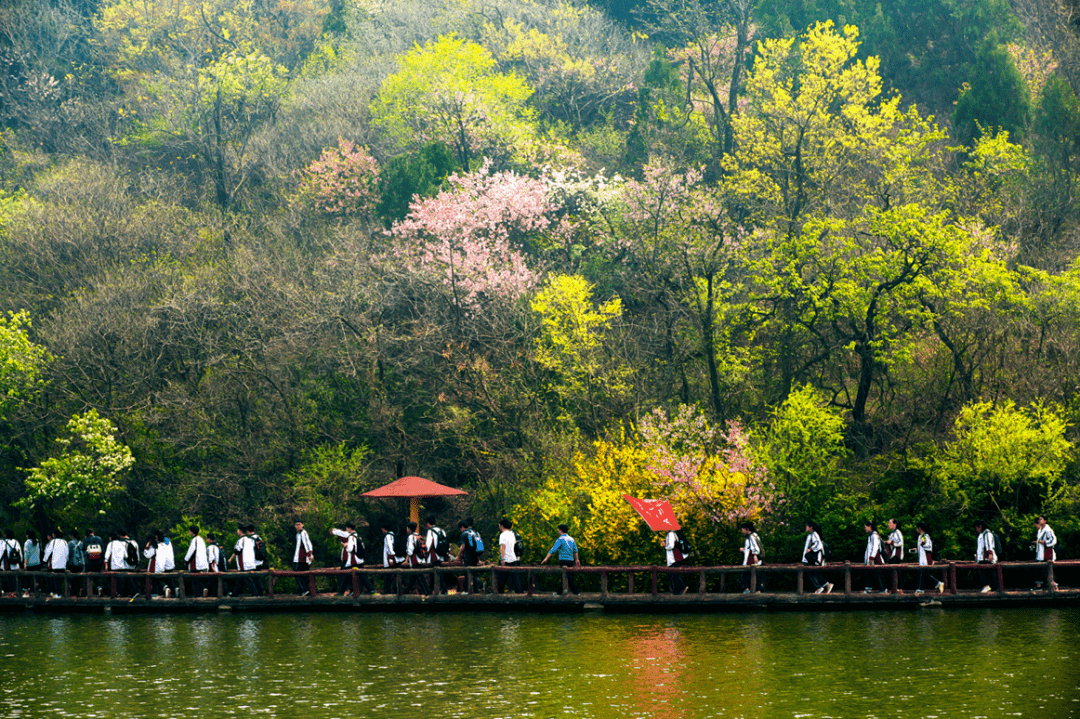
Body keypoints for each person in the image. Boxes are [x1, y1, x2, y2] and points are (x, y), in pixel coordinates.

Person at [331, 521, 373, 596]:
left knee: (345, 574)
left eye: (347, 528)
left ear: (349, 528)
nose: (346, 529)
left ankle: (342, 592)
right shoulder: (357, 536)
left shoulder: (351, 537)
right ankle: (370, 590)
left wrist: (345, 546)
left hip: (353, 560)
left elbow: (350, 549)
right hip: (359, 559)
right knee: (361, 575)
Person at [540, 524, 580, 595]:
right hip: (570, 560)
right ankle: (561, 592)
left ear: (561, 530)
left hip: (563, 560)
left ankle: (575, 592)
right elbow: (575, 550)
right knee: (567, 575)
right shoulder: (572, 539)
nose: (558, 531)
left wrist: (546, 558)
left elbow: (553, 550)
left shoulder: (560, 539)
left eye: (559, 530)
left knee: (567, 576)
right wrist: (577, 559)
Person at [229, 525, 263, 596]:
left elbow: (237, 551)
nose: (237, 531)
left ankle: (255, 594)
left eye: (238, 530)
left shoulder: (241, 540)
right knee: (241, 579)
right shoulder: (251, 540)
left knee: (247, 579)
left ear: (241, 531)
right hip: (251, 563)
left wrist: (230, 559)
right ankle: (235, 594)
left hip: (244, 564)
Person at [914, 522, 945, 594]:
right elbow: (921, 547)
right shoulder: (920, 537)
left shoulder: (925, 536)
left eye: (917, 528)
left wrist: (923, 545)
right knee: (926, 575)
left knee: (921, 573)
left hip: (925, 559)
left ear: (920, 528)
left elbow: (929, 547)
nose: (916, 529)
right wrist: (917, 549)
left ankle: (920, 589)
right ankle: (938, 583)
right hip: (921, 558)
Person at [802, 522, 832, 594]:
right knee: (814, 572)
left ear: (811, 527)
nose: (805, 527)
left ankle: (818, 587)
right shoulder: (811, 535)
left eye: (807, 525)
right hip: (810, 558)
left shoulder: (814, 534)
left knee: (810, 571)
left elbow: (818, 544)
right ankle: (826, 585)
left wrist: (811, 549)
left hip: (813, 558)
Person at [402, 521, 430, 595]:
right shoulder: (418, 536)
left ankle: (428, 593)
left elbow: (410, 550)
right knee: (413, 578)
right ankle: (406, 592)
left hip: (415, 560)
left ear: (409, 528)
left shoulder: (411, 537)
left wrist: (406, 561)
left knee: (420, 578)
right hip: (421, 558)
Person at [424, 517, 451, 593]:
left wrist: (426, 552)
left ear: (428, 523)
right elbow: (446, 541)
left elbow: (428, 544)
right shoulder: (442, 530)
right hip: (441, 553)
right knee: (436, 572)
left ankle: (442, 590)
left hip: (434, 554)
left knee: (437, 572)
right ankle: (431, 590)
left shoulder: (430, 531)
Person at [497, 518, 523, 594]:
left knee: (501, 579)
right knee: (516, 579)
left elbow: (503, 547)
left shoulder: (502, 535)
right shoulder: (512, 534)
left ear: (502, 526)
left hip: (506, 559)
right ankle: (519, 594)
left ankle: (499, 594)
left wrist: (502, 559)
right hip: (513, 558)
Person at [42, 529, 69, 597]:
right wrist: (66, 561)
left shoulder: (53, 542)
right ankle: (60, 593)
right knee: (60, 579)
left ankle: (58, 594)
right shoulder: (65, 542)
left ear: (54, 535)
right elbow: (67, 553)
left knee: (56, 580)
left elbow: (48, 552)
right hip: (63, 564)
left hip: (55, 564)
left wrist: (44, 561)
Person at [1034, 515, 1058, 590]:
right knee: (1040, 569)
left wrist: (1044, 543)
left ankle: (1054, 586)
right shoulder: (1040, 530)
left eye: (1041, 519)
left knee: (1048, 570)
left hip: (1047, 553)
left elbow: (1053, 540)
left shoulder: (1048, 530)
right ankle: (1039, 586)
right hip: (1041, 553)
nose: (1039, 520)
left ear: (1045, 521)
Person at [863, 521, 887, 593]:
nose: (865, 529)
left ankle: (883, 590)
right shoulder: (871, 536)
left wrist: (871, 558)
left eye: (865, 527)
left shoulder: (874, 535)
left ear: (869, 526)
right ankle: (868, 589)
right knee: (870, 574)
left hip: (876, 559)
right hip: (872, 559)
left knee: (878, 574)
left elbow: (875, 547)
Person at [185, 526, 210, 597]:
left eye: (189, 531)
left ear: (192, 532)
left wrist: (186, 560)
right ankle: (203, 589)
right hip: (202, 563)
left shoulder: (194, 540)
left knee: (194, 579)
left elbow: (191, 551)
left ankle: (196, 594)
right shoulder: (201, 539)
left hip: (195, 563)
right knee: (198, 578)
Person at [974, 520, 998, 593]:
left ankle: (987, 586)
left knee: (984, 571)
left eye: (976, 528)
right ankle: (993, 587)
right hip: (982, 557)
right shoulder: (982, 534)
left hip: (986, 557)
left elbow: (989, 544)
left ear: (980, 526)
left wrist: (990, 554)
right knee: (989, 572)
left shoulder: (987, 533)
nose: (976, 530)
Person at [664, 528, 690, 595]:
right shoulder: (674, 533)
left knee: (673, 574)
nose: (664, 529)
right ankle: (678, 590)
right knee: (673, 574)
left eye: (665, 528)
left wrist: (665, 545)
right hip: (675, 557)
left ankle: (679, 590)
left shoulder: (671, 534)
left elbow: (671, 546)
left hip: (674, 558)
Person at [292, 519, 314, 595]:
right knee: (304, 575)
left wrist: (310, 555)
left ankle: (305, 589)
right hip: (299, 557)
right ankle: (306, 590)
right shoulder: (298, 534)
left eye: (299, 524)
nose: (298, 526)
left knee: (298, 573)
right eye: (296, 525)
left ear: (302, 525)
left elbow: (308, 544)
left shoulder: (303, 533)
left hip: (303, 558)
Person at [740, 521, 763, 593]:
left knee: (746, 573)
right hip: (751, 558)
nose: (742, 531)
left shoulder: (751, 537)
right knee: (753, 574)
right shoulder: (754, 536)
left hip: (751, 559)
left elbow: (755, 548)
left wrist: (755, 555)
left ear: (747, 529)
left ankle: (749, 589)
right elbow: (750, 548)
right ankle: (756, 590)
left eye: (743, 529)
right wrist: (744, 549)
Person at [82, 528, 105, 596]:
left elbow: (83, 549)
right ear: (93, 532)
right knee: (97, 576)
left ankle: (88, 593)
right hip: (98, 561)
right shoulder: (99, 539)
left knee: (88, 577)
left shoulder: (86, 540)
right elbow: (103, 550)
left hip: (89, 561)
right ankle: (99, 588)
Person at [379, 520, 399, 594]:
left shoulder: (388, 536)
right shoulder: (393, 535)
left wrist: (391, 557)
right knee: (392, 575)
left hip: (389, 558)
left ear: (384, 529)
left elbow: (390, 547)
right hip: (393, 558)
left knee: (387, 575)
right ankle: (392, 589)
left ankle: (387, 590)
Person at [67, 529, 86, 593]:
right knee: (79, 579)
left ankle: (74, 593)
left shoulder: (70, 543)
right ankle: (80, 590)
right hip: (81, 564)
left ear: (72, 536)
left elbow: (68, 554)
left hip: (73, 564)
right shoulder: (81, 543)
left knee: (73, 579)